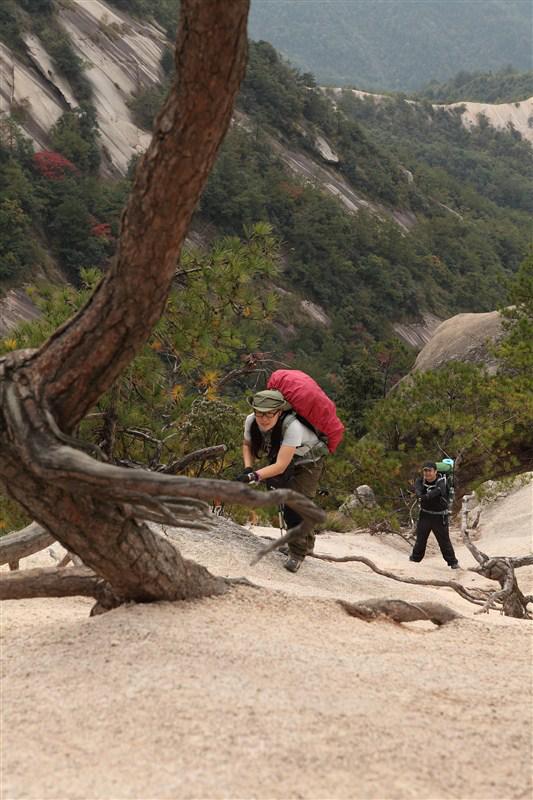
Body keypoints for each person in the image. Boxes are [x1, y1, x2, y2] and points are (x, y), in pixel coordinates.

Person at [236, 389, 328, 573]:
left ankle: (297, 553)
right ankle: (305, 543)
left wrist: (252, 476)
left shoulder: (292, 426)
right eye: (260, 413)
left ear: (279, 411)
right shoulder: (251, 421)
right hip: (284, 456)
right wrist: (248, 467)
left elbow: (280, 466)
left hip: (309, 461)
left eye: (269, 413)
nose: (264, 418)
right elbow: (247, 445)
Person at [410, 461, 460, 569]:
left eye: (429, 471)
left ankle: (453, 563)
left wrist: (425, 497)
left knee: (444, 541)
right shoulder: (420, 481)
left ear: (435, 471)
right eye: (425, 471)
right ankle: (414, 560)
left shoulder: (442, 481)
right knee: (420, 540)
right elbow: (417, 489)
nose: (427, 473)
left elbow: (438, 491)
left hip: (439, 517)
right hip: (425, 515)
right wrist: (419, 495)